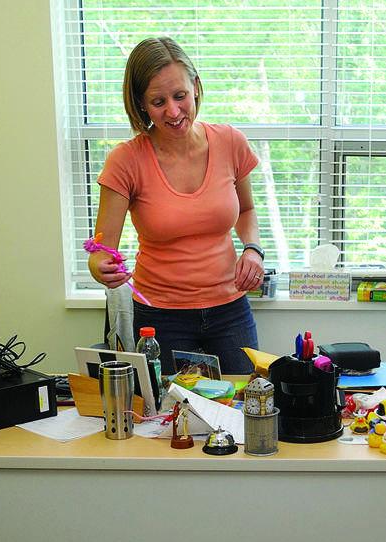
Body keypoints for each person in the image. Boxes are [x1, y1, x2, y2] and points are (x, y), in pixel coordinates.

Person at [90, 37, 265, 375]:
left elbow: (246, 211)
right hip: (160, 318)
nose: (172, 111)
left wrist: (253, 250)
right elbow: (101, 249)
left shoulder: (230, 142)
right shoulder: (126, 160)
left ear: (196, 87)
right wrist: (101, 266)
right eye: (158, 101)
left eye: (180, 96)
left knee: (244, 406)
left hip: (230, 309)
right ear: (141, 105)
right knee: (170, 418)